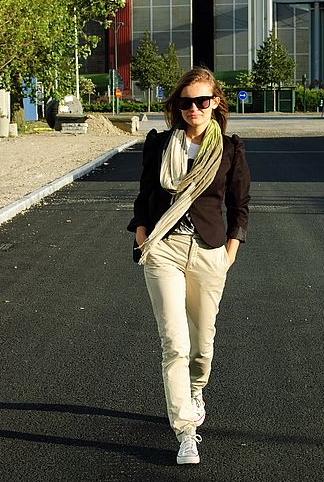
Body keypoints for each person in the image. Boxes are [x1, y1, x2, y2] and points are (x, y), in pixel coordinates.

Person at [127, 66, 251, 465]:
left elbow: (239, 206)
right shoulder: (160, 144)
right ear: (176, 106)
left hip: (209, 251)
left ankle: (196, 390)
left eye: (201, 101)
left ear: (215, 103)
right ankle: (185, 431)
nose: (194, 108)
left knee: (202, 344)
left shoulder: (230, 148)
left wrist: (230, 250)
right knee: (175, 344)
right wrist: (142, 232)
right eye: (186, 102)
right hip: (163, 248)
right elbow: (145, 193)